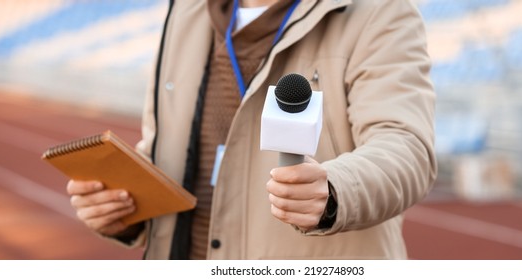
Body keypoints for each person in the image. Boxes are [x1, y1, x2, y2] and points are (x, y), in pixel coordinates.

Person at [66, 0, 436, 260]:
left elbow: (405, 146)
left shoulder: (381, 10)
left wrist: (335, 189)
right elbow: (166, 144)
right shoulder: (185, 9)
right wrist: (123, 210)